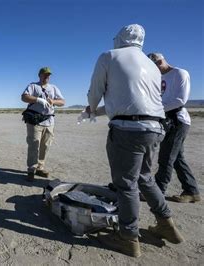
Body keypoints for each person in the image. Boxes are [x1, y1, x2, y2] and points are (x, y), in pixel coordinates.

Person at [85, 24, 184, 257]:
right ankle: (166, 224)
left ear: (119, 38)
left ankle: (128, 237)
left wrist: (90, 109)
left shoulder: (109, 56)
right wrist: (98, 111)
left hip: (128, 130)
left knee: (126, 184)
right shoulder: (151, 65)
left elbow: (95, 90)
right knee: (145, 178)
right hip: (155, 128)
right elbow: (131, 99)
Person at [147, 52, 201, 203]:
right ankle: (192, 191)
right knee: (177, 158)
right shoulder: (159, 77)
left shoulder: (180, 73)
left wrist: (156, 110)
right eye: (154, 65)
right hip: (166, 119)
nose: (157, 67)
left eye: (158, 63)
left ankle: (156, 193)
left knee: (166, 157)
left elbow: (180, 100)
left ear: (163, 60)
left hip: (177, 120)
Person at [21, 67, 65, 182]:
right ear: (39, 75)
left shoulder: (54, 88)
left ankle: (40, 167)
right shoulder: (33, 86)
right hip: (35, 121)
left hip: (49, 122)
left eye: (48, 75)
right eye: (45, 74)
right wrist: (38, 100)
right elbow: (24, 97)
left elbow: (62, 101)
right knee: (34, 145)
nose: (47, 77)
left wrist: (53, 101)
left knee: (45, 146)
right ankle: (31, 169)